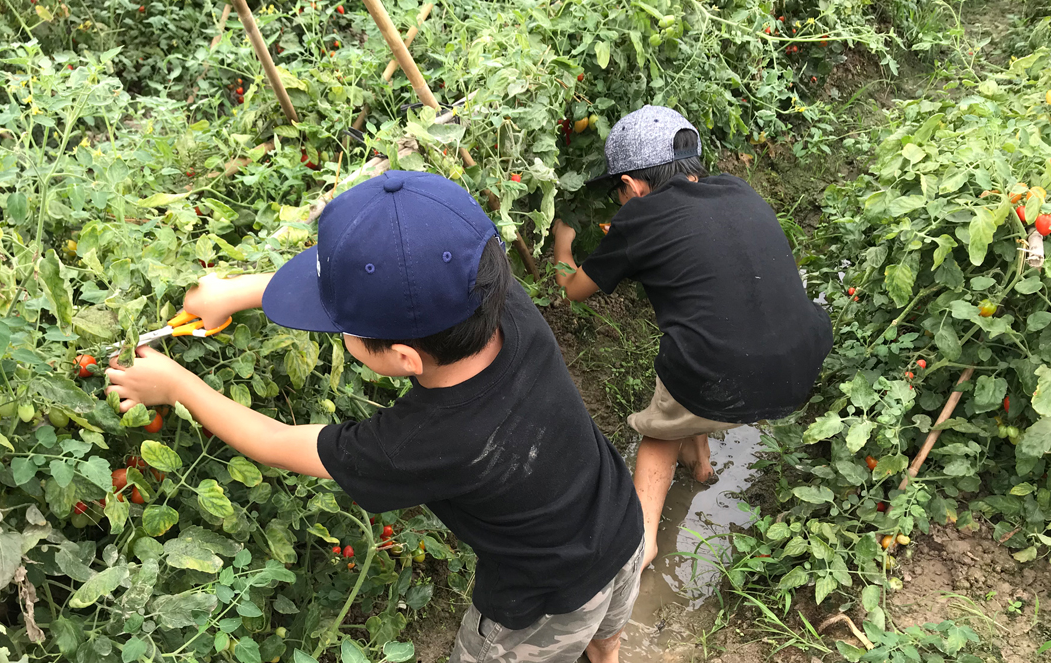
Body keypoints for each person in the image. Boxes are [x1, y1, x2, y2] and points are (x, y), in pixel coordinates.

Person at [105, 171, 645, 663]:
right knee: (606, 636)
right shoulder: (502, 303)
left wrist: (177, 384)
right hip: (622, 521)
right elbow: (401, 286)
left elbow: (274, 441)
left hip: (544, 600)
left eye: (347, 330)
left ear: (403, 360)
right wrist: (234, 292)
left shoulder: (420, 439)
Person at [551, 106, 832, 570]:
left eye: (619, 191)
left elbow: (575, 289)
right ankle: (702, 467)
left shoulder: (640, 214)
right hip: (800, 364)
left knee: (660, 429)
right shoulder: (738, 189)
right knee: (707, 341)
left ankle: (639, 547)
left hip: (722, 373)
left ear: (633, 185)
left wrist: (564, 246)